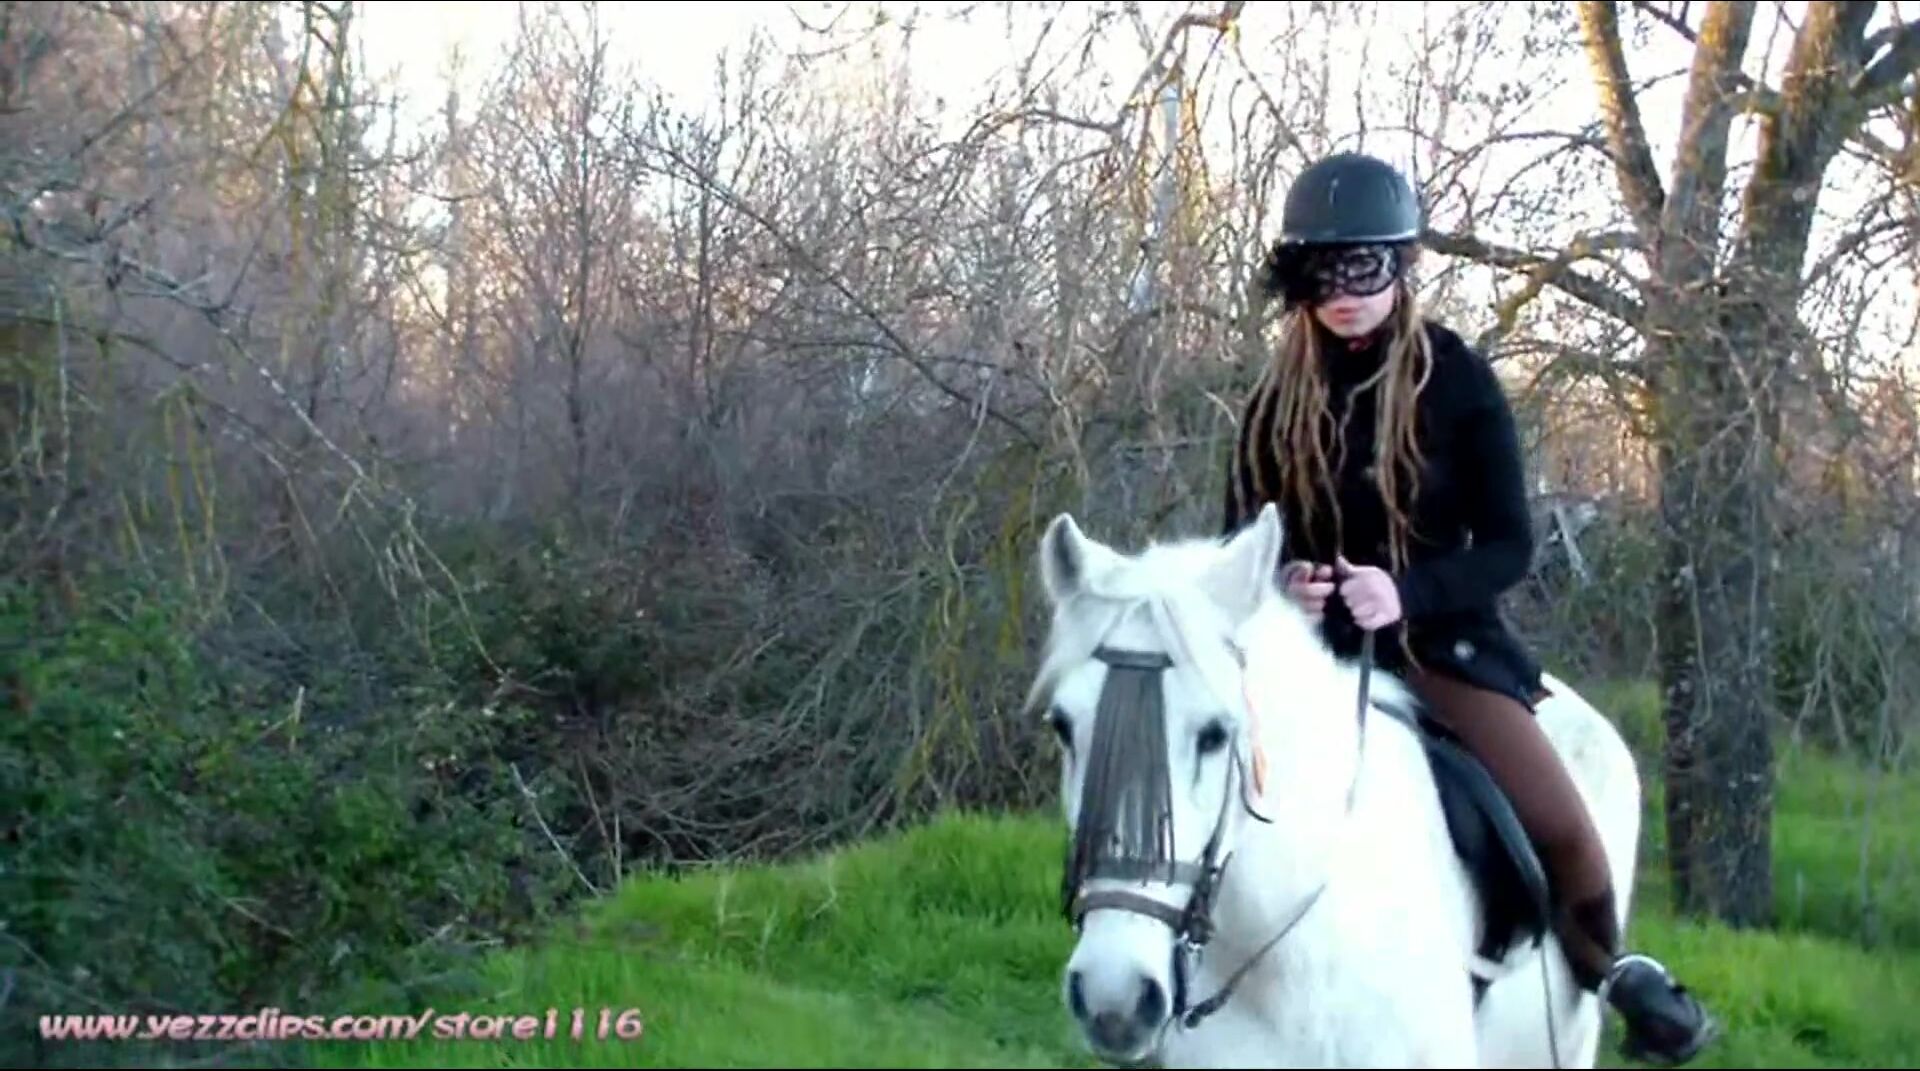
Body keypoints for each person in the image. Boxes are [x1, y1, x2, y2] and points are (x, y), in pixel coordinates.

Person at [1218, 150, 1717, 1067]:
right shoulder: (1268, 403)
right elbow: (1234, 543)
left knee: (1562, 823)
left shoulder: (1457, 380)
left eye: (1364, 268)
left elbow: (1509, 544)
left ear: (1400, 266)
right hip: (1302, 655)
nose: (1344, 294)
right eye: (1322, 273)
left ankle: (1609, 967)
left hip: (1438, 646)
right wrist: (1278, 586)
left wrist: (1401, 591)